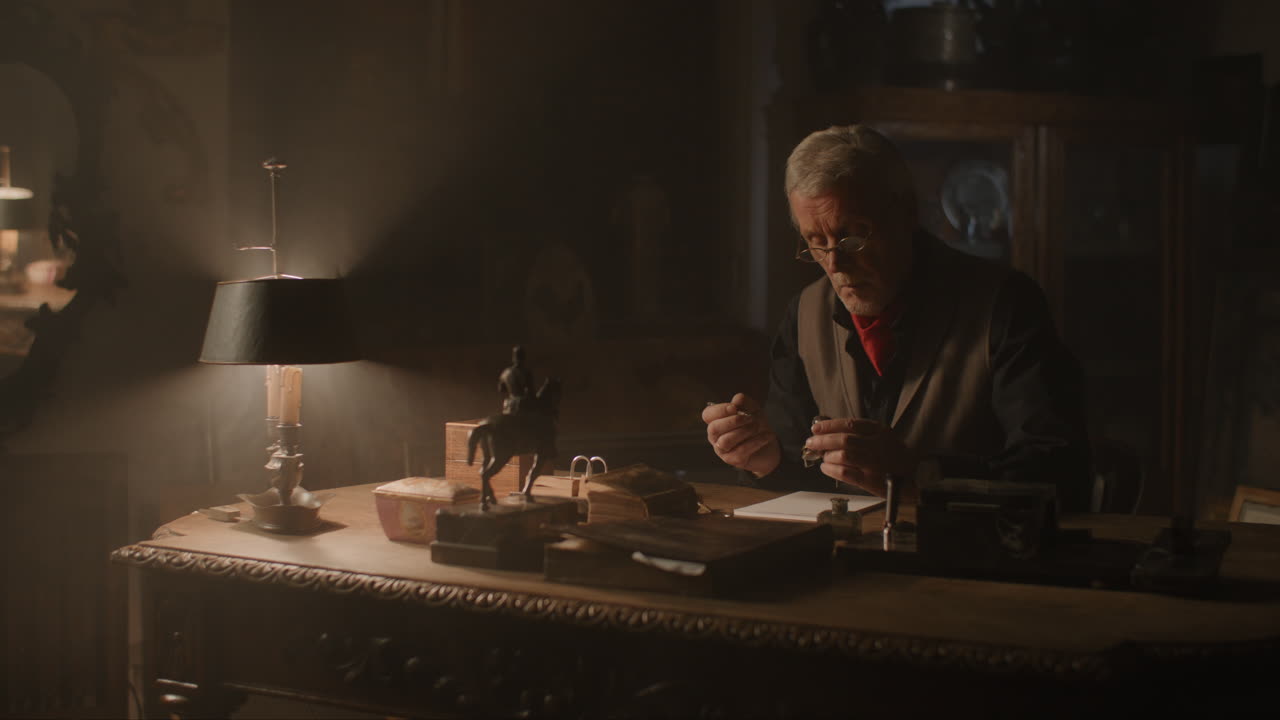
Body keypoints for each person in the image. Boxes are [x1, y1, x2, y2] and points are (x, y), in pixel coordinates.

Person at [702, 125, 1091, 511]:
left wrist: (923, 475)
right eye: (815, 244)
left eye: (854, 236)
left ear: (907, 214)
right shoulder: (804, 315)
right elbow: (800, 475)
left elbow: (1057, 472)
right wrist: (763, 459)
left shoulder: (1004, 304)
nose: (836, 265)